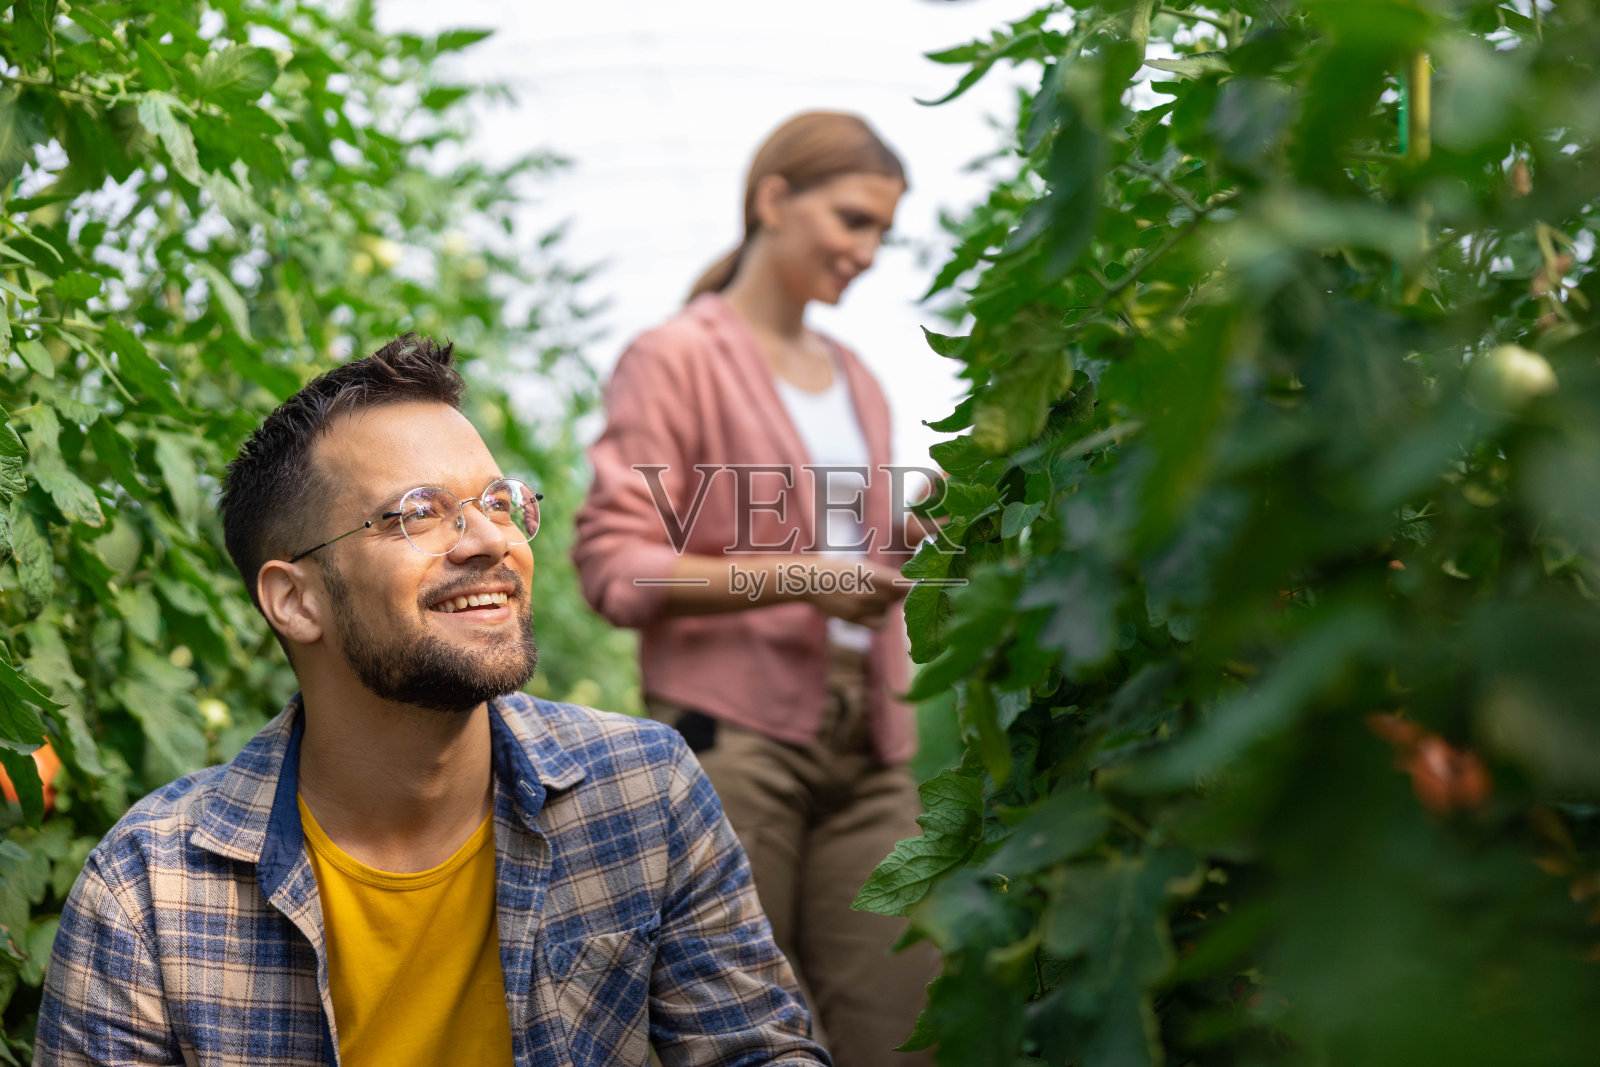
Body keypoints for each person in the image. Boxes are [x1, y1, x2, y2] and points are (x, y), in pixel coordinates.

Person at [34, 336, 827, 1067]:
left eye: (498, 499)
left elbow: (757, 1051)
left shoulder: (642, 792)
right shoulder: (151, 891)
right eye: (419, 511)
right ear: (295, 601)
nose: (491, 539)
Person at [573, 112, 939, 1067]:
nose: (865, 252)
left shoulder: (857, 377)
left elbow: (849, 548)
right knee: (752, 1035)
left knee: (909, 1026)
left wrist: (916, 519)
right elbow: (619, 563)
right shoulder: (676, 357)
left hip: (872, 738)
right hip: (734, 741)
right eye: (852, 220)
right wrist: (803, 578)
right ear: (774, 199)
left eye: (881, 234)